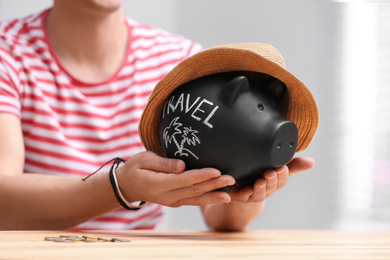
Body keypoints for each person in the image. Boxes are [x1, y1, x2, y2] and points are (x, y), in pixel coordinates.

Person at [0, 0, 314, 231]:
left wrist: (249, 190)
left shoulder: (181, 62)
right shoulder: (7, 53)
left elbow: (221, 216)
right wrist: (121, 186)